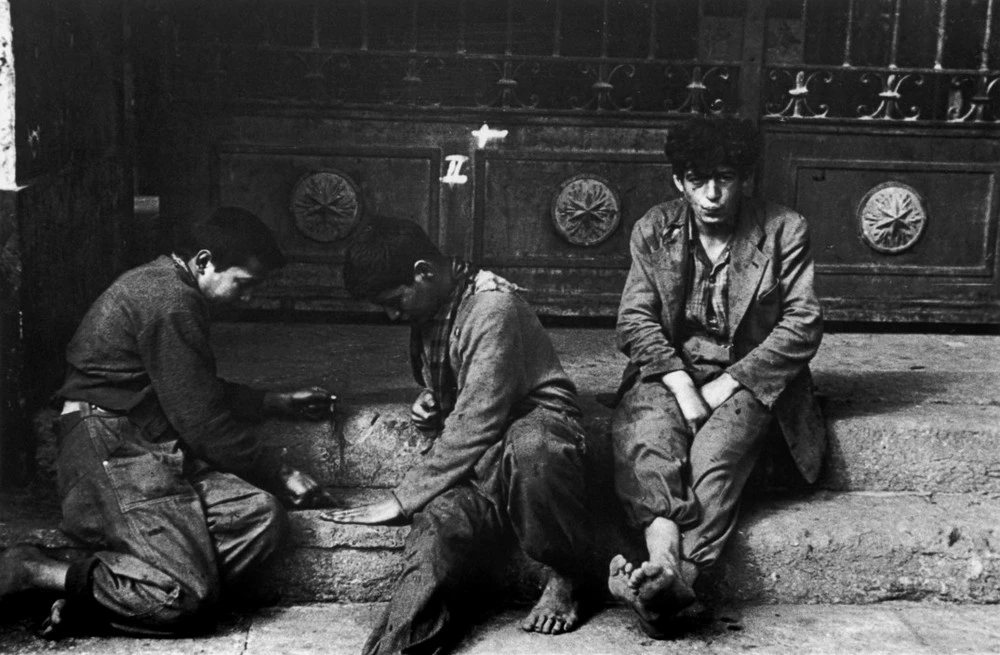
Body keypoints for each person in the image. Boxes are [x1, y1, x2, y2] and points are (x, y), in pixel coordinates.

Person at [0, 207, 334, 638]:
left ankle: (110, 597)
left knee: (261, 519)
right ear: (204, 261)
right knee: (186, 600)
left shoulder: (169, 286)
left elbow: (187, 385)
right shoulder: (169, 301)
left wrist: (269, 401)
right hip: (111, 445)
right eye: (244, 284)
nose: (248, 298)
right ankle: (34, 569)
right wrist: (280, 470)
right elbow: (204, 423)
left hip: (150, 443)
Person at [325, 218, 594, 654]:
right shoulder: (435, 304)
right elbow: (463, 384)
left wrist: (402, 498)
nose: (392, 315)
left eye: (394, 301)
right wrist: (432, 398)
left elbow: (477, 421)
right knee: (436, 531)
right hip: (480, 457)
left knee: (534, 449)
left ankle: (567, 576)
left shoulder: (491, 306)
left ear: (423, 272)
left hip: (532, 431)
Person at [607, 116, 826, 637]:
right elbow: (634, 319)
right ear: (677, 181)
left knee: (715, 455)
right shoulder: (653, 229)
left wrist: (727, 384)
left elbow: (803, 323)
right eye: (697, 179)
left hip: (752, 374)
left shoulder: (784, 229)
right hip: (671, 368)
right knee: (648, 439)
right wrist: (682, 384)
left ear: (745, 179)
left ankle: (672, 577)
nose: (711, 194)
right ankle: (666, 569)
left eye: (724, 178)